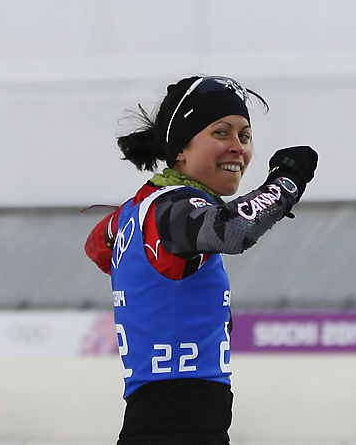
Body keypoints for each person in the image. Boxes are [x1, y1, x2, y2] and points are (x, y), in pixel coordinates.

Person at [84, 75, 319, 445]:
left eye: (245, 135)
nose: (237, 147)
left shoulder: (139, 210)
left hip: (162, 424)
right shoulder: (172, 208)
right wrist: (286, 183)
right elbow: (233, 230)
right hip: (180, 428)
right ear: (181, 149)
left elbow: (97, 245)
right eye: (221, 133)